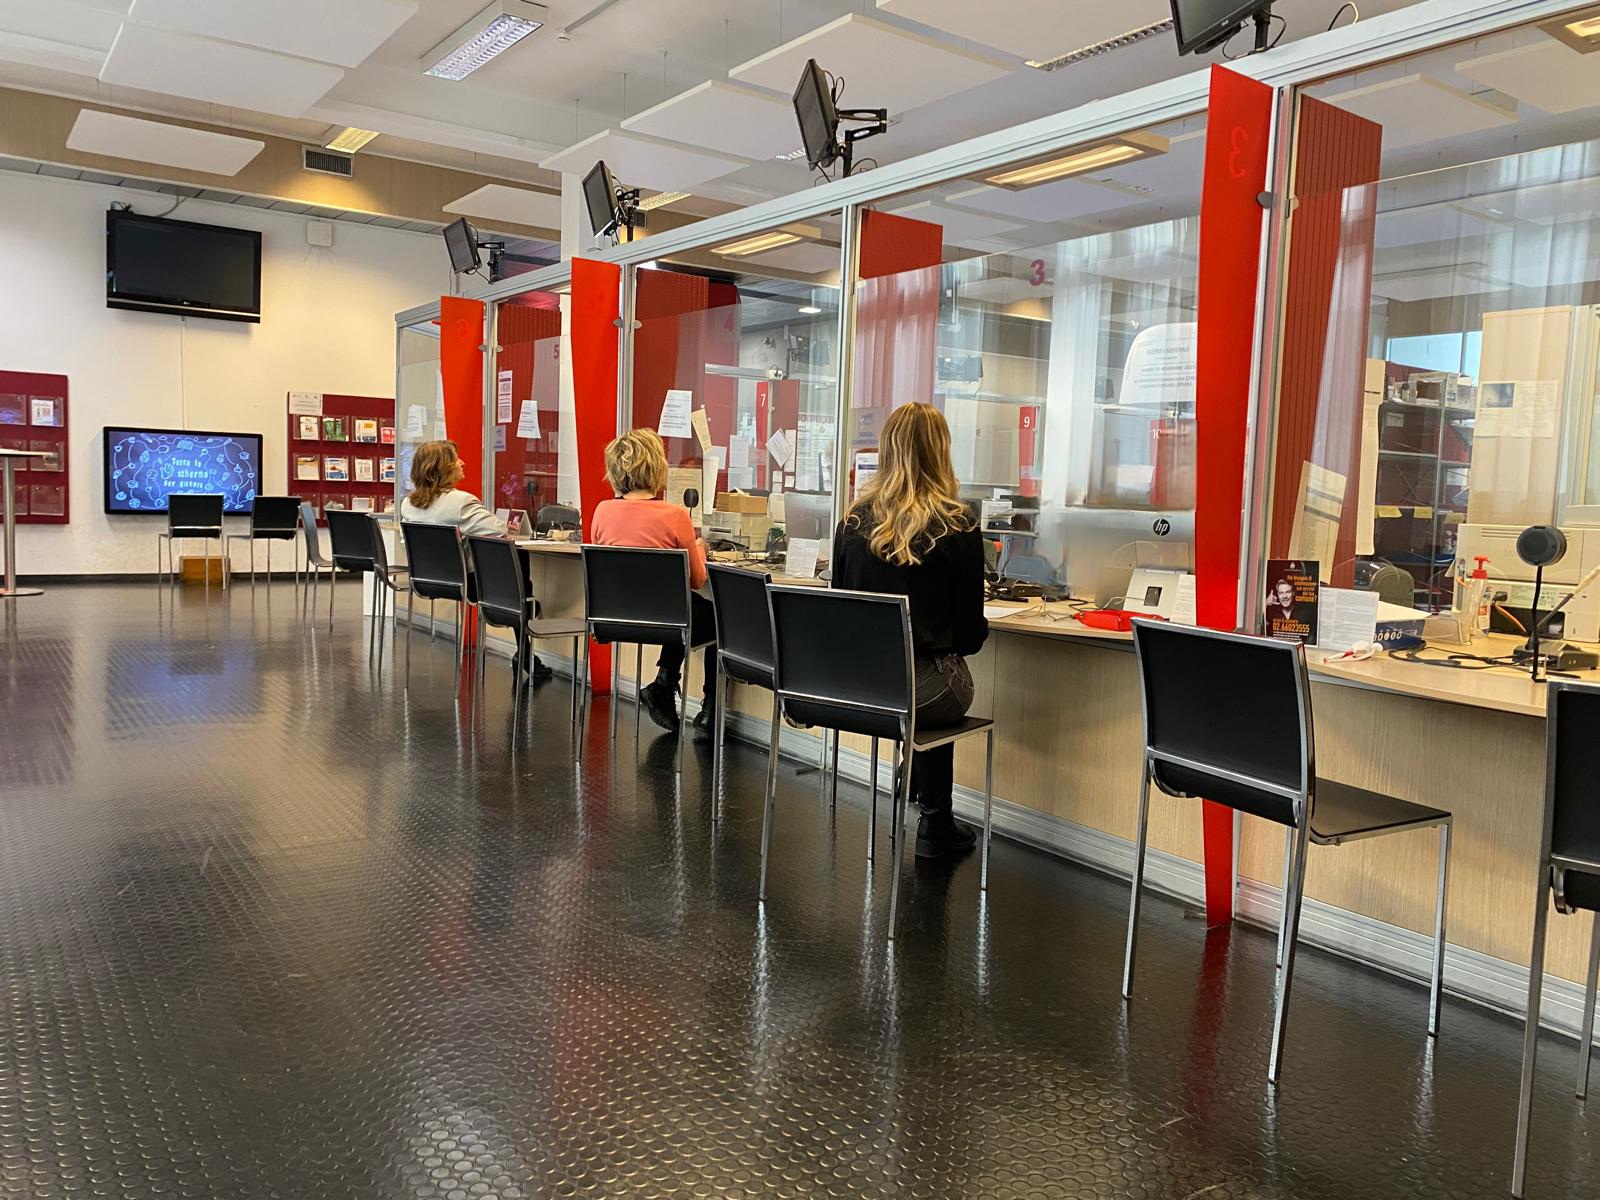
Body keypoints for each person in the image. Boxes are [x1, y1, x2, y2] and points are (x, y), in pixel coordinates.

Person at [832, 402, 988, 860]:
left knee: (915, 681)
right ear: (941, 452)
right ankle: (935, 818)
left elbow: (839, 610)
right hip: (919, 691)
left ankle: (923, 791)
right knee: (945, 677)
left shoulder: (852, 523)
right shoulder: (958, 525)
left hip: (857, 686)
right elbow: (969, 638)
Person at [590, 428, 718, 736]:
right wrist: (700, 548)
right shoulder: (675, 516)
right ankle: (708, 713)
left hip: (614, 620)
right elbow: (697, 579)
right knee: (719, 618)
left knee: (676, 608)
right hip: (667, 621)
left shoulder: (602, 512)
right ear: (656, 466)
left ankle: (664, 684)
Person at [402, 439, 550, 679]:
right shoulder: (461, 502)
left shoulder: (408, 504)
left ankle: (524, 629)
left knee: (517, 581)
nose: (462, 462)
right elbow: (500, 530)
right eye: (455, 459)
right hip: (466, 583)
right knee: (518, 563)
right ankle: (523, 616)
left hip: (427, 580)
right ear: (443, 468)